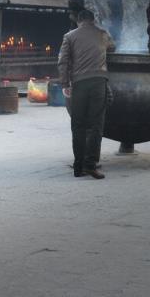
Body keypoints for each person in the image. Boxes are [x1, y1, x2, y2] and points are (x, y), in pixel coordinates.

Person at [57, 9, 115, 180]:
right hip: (99, 82)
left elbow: (62, 62)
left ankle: (78, 167)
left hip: (79, 84)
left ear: (78, 20)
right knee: (96, 126)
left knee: (78, 125)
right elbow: (113, 47)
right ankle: (91, 166)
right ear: (93, 20)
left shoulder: (69, 36)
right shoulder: (103, 34)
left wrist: (65, 83)